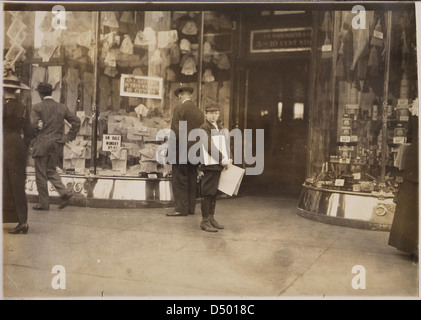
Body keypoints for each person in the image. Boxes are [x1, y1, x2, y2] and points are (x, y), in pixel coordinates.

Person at [30, 82, 81, 211]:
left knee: (41, 174)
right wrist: (68, 137)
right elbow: (76, 121)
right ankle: (65, 193)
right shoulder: (62, 107)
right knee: (51, 170)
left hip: (42, 144)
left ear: (40, 94)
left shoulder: (37, 107)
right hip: (57, 144)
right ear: (51, 92)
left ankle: (44, 203)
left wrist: (36, 135)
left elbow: (33, 126)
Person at [166, 84, 204, 217]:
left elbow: (176, 130)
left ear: (180, 95)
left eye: (179, 96)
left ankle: (180, 209)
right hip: (194, 149)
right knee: (192, 178)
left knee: (180, 178)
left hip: (181, 149)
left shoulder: (179, 107)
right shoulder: (198, 111)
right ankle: (190, 208)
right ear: (190, 95)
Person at [2, 72, 33, 234]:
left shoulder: (2, 106)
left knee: (4, 182)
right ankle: (23, 221)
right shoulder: (23, 108)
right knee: (18, 183)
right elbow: (29, 132)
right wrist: (24, 148)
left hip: (4, 143)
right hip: (19, 146)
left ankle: (7, 217)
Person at [388, 100, 419, 261]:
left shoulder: (416, 108)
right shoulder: (416, 107)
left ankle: (412, 245)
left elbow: (410, 134)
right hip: (416, 159)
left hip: (415, 158)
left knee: (413, 201)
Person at [198, 104, 230, 232]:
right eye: (211, 113)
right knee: (207, 192)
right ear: (205, 114)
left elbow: (225, 143)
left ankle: (211, 218)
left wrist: (229, 157)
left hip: (217, 164)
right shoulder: (204, 128)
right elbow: (208, 146)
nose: (213, 115)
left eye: (216, 113)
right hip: (210, 164)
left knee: (213, 192)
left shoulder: (219, 126)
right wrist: (223, 158)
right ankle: (204, 221)